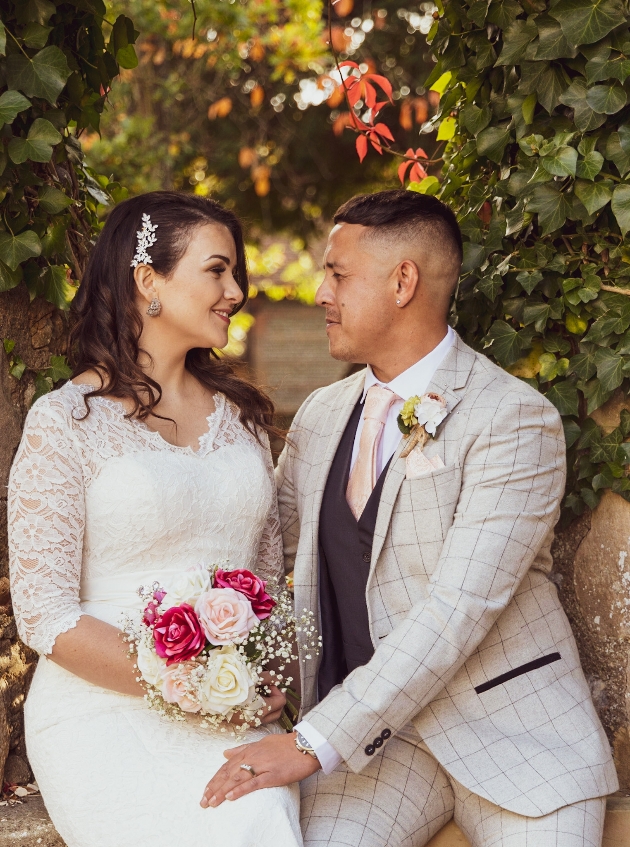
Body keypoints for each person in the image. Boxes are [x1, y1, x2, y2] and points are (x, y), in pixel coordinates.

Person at [200, 190, 618, 847]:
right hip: (378, 750)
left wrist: (311, 740)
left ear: (404, 281)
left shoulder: (512, 417)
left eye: (338, 274)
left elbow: (459, 606)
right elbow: (262, 556)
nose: (319, 292)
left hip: (517, 742)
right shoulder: (320, 415)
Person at [8, 191, 303, 847]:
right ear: (148, 281)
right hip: (99, 710)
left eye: (235, 274)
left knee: (258, 811)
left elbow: (266, 580)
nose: (234, 290)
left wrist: (260, 684)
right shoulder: (65, 422)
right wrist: (196, 685)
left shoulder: (246, 421)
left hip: (234, 708)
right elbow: (45, 614)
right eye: (217, 270)